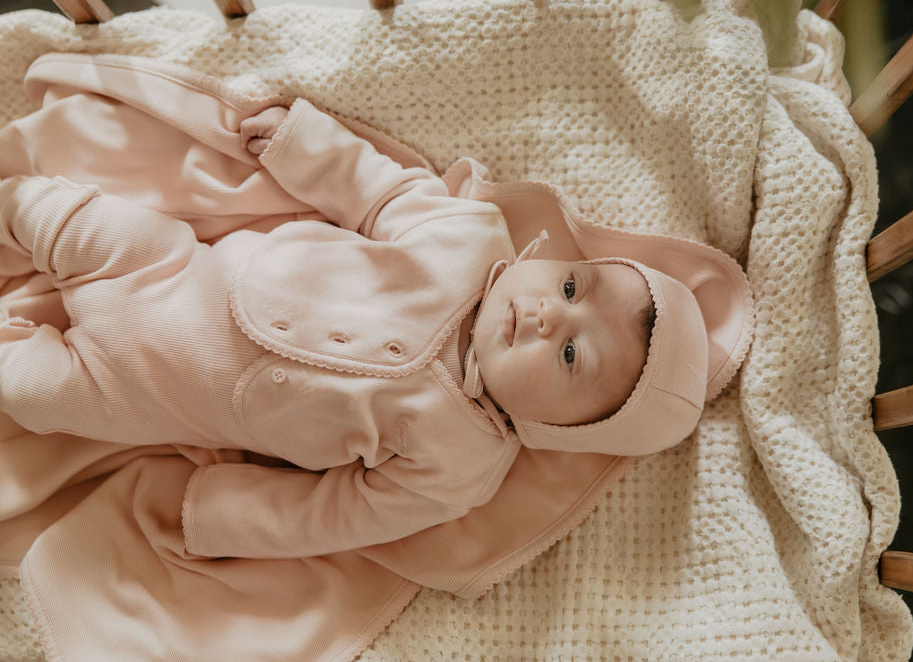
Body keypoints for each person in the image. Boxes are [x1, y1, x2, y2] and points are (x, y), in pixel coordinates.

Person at [0, 98, 711, 560]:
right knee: (55, 213)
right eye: (570, 284)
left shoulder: (461, 466)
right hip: (168, 265)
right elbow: (376, 189)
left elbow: (332, 514)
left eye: (568, 354)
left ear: (563, 430)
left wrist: (214, 515)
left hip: (146, 393)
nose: (552, 311)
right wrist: (298, 140)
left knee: (32, 392)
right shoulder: (468, 238)